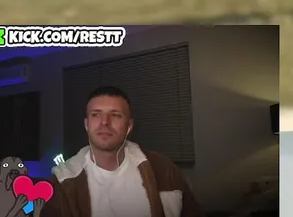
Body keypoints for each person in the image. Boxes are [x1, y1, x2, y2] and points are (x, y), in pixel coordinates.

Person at [46, 86, 202, 217]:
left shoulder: (164, 170)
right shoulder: (63, 183)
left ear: (129, 126)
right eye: (96, 115)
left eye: (115, 115)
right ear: (87, 125)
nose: (105, 122)